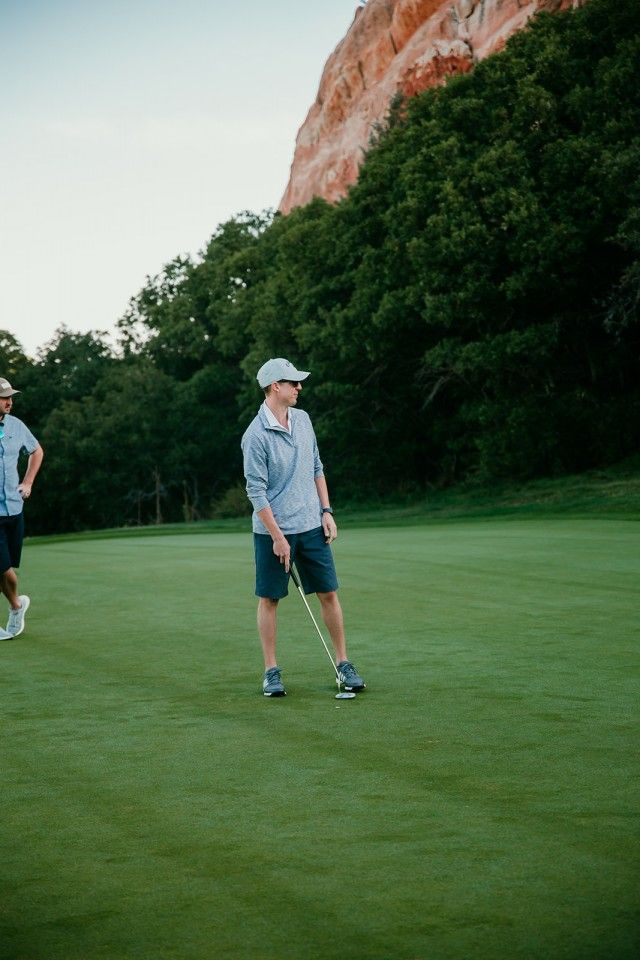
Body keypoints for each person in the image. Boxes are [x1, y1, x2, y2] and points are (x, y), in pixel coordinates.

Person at [241, 357, 366, 697]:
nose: (299, 387)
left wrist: (326, 510)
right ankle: (271, 672)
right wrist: (278, 538)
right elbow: (256, 491)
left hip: (311, 524)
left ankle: (344, 662)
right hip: (273, 532)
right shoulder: (255, 436)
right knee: (270, 599)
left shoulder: (304, 420)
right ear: (274, 387)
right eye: (292, 382)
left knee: (328, 592)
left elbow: (316, 466)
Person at [0, 378, 44, 640]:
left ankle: (16, 606)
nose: (10, 401)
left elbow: (36, 451)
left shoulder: (16, 426)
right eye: (4, 397)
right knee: (2, 568)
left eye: (10, 396)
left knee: (7, 573)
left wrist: (27, 481)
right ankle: (16, 606)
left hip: (14, 511)